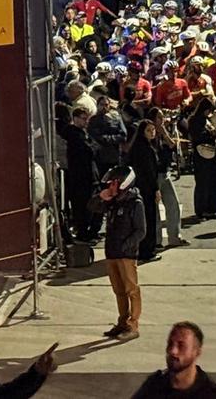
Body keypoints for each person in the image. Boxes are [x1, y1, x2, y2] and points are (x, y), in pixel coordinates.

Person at [90, 164, 146, 341]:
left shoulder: (135, 203)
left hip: (126, 254)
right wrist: (100, 197)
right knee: (118, 290)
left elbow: (140, 231)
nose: (110, 187)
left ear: (123, 183)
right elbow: (92, 207)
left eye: (113, 183)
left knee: (131, 290)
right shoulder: (113, 202)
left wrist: (126, 246)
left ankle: (133, 324)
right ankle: (122, 322)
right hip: (112, 252)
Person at [131, 321, 216, 399]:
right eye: (170, 344)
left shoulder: (213, 395)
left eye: (181, 345)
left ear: (197, 352)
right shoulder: (153, 387)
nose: (172, 351)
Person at [148, 106, 185, 248]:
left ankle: (174, 237)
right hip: (154, 175)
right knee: (155, 209)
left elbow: (172, 145)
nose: (162, 120)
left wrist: (164, 133)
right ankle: (157, 240)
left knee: (173, 204)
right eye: (159, 118)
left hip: (165, 172)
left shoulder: (163, 133)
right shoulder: (149, 134)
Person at [62, 106, 100, 241]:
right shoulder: (73, 134)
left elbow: (96, 146)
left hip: (89, 174)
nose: (86, 122)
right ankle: (82, 232)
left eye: (87, 119)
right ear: (75, 119)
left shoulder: (84, 133)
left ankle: (88, 231)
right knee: (81, 206)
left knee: (90, 205)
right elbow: (89, 150)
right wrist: (91, 147)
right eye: (83, 119)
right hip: (80, 176)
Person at [128, 120, 162, 261]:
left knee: (142, 219)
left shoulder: (139, 147)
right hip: (146, 188)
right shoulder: (145, 149)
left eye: (153, 130)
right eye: (149, 130)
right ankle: (147, 251)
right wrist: (156, 189)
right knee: (148, 219)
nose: (152, 132)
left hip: (139, 187)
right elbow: (149, 172)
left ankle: (143, 249)